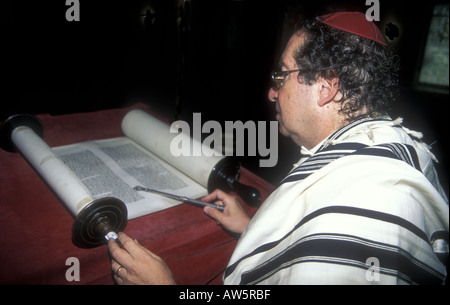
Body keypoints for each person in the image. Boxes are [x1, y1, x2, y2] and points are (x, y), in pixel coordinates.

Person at [108, 11, 449, 285]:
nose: (272, 92)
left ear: (326, 87)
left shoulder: (360, 211)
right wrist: (251, 227)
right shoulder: (379, 145)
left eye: (282, 75)